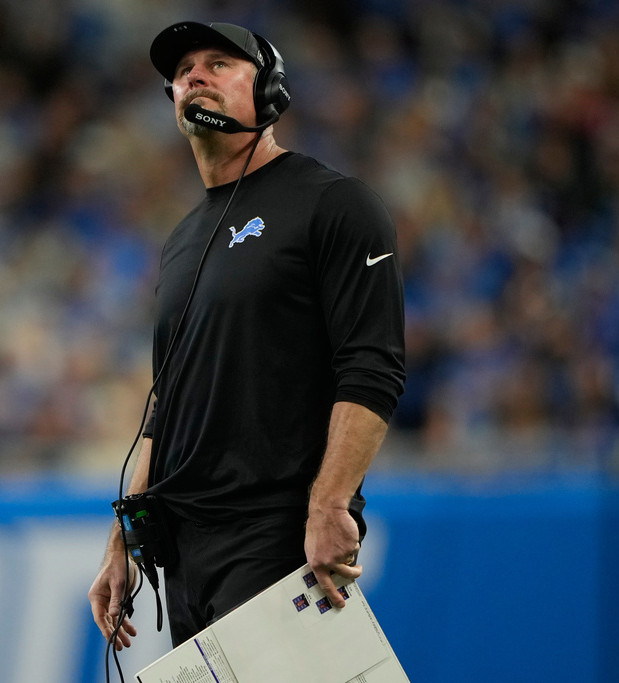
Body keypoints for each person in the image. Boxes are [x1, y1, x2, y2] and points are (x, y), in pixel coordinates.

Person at [88, 20, 406, 652]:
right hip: (184, 554)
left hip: (277, 535)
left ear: (271, 92)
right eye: (182, 73)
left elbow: (372, 366)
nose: (195, 76)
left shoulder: (333, 204)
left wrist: (330, 504)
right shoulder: (181, 241)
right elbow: (164, 407)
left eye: (218, 63)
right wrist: (123, 536)